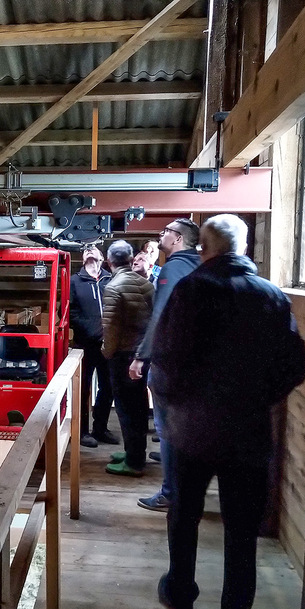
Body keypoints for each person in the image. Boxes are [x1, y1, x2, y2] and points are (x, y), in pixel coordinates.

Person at [151, 215, 305, 609]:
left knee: (184, 516)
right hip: (248, 432)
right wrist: (259, 399)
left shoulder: (192, 290)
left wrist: (173, 403)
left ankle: (181, 597)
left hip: (191, 430)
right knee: (242, 534)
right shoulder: (272, 297)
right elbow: (295, 367)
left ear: (205, 246)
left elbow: (166, 357)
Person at [129, 218, 201, 512]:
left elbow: (160, 316)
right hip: (193, 363)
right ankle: (179, 484)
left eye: (166, 231)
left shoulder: (172, 268)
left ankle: (170, 493)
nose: (161, 234)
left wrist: (140, 356)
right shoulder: (199, 265)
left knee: (167, 427)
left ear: (178, 239)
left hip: (170, 364)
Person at [101, 240, 154, 476]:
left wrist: (107, 352)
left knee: (125, 409)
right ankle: (135, 452)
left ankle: (133, 462)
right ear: (132, 259)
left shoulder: (113, 287)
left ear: (108, 261)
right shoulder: (146, 284)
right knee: (139, 406)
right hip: (143, 354)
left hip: (123, 355)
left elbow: (110, 328)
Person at [69, 245, 118, 448]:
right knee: (83, 388)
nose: (90, 250)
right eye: (86, 249)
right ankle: (81, 432)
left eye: (94, 249)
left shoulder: (111, 279)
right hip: (85, 344)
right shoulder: (74, 280)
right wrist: (93, 330)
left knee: (108, 387)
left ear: (102, 257)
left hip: (109, 344)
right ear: (82, 258)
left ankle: (101, 428)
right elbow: (70, 312)